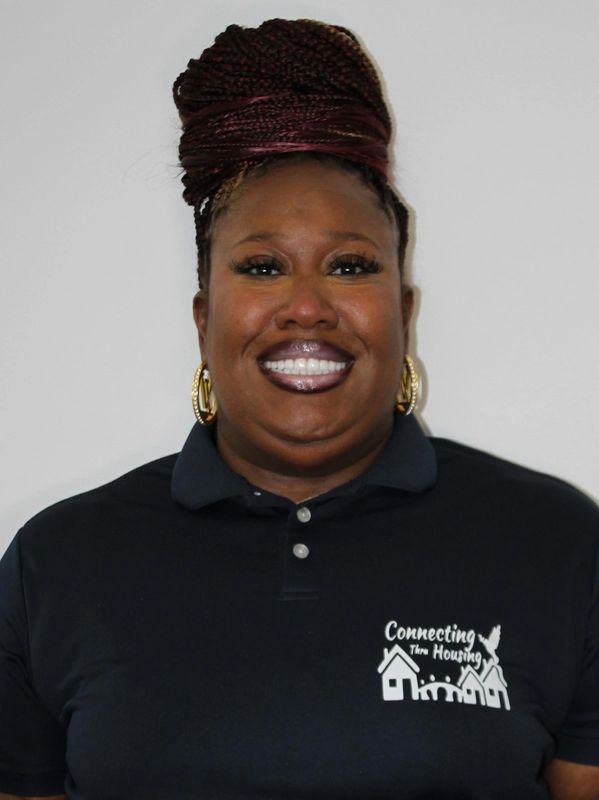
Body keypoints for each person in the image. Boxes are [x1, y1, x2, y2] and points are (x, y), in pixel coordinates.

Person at [1, 18, 598, 800]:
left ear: (403, 311)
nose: (307, 307)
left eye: (349, 266)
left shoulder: (557, 544)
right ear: (202, 316)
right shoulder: (57, 564)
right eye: (261, 267)